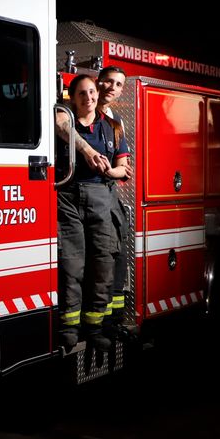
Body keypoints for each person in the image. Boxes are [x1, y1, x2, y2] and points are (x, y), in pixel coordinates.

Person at [56, 74, 130, 353]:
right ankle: (69, 329)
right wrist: (87, 152)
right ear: (72, 99)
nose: (88, 97)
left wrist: (110, 171)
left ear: (97, 96)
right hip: (68, 199)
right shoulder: (63, 120)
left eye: (91, 93)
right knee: (71, 265)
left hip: (102, 196)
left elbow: (124, 168)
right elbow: (59, 123)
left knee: (102, 265)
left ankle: (95, 329)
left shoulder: (112, 128)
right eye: (82, 94)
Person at [94, 66, 132, 330]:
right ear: (98, 82)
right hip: (91, 197)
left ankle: (114, 318)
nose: (112, 87)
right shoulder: (84, 115)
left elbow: (124, 168)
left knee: (118, 257)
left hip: (110, 195)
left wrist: (110, 170)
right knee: (100, 260)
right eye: (108, 81)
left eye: (118, 84)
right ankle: (99, 322)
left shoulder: (116, 122)